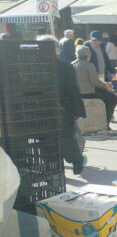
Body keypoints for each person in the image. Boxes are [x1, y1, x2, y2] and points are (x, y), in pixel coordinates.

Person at [40, 36, 85, 174]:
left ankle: (74, 161)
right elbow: (74, 89)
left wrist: (77, 109)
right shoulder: (63, 66)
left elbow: (73, 89)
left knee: (63, 137)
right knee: (55, 138)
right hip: (53, 109)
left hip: (60, 108)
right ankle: (63, 163)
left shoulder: (64, 66)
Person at [72, 44, 117, 125]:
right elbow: (95, 82)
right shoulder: (89, 65)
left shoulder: (72, 64)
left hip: (76, 93)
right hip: (89, 93)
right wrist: (106, 85)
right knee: (113, 99)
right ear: (88, 55)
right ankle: (106, 122)